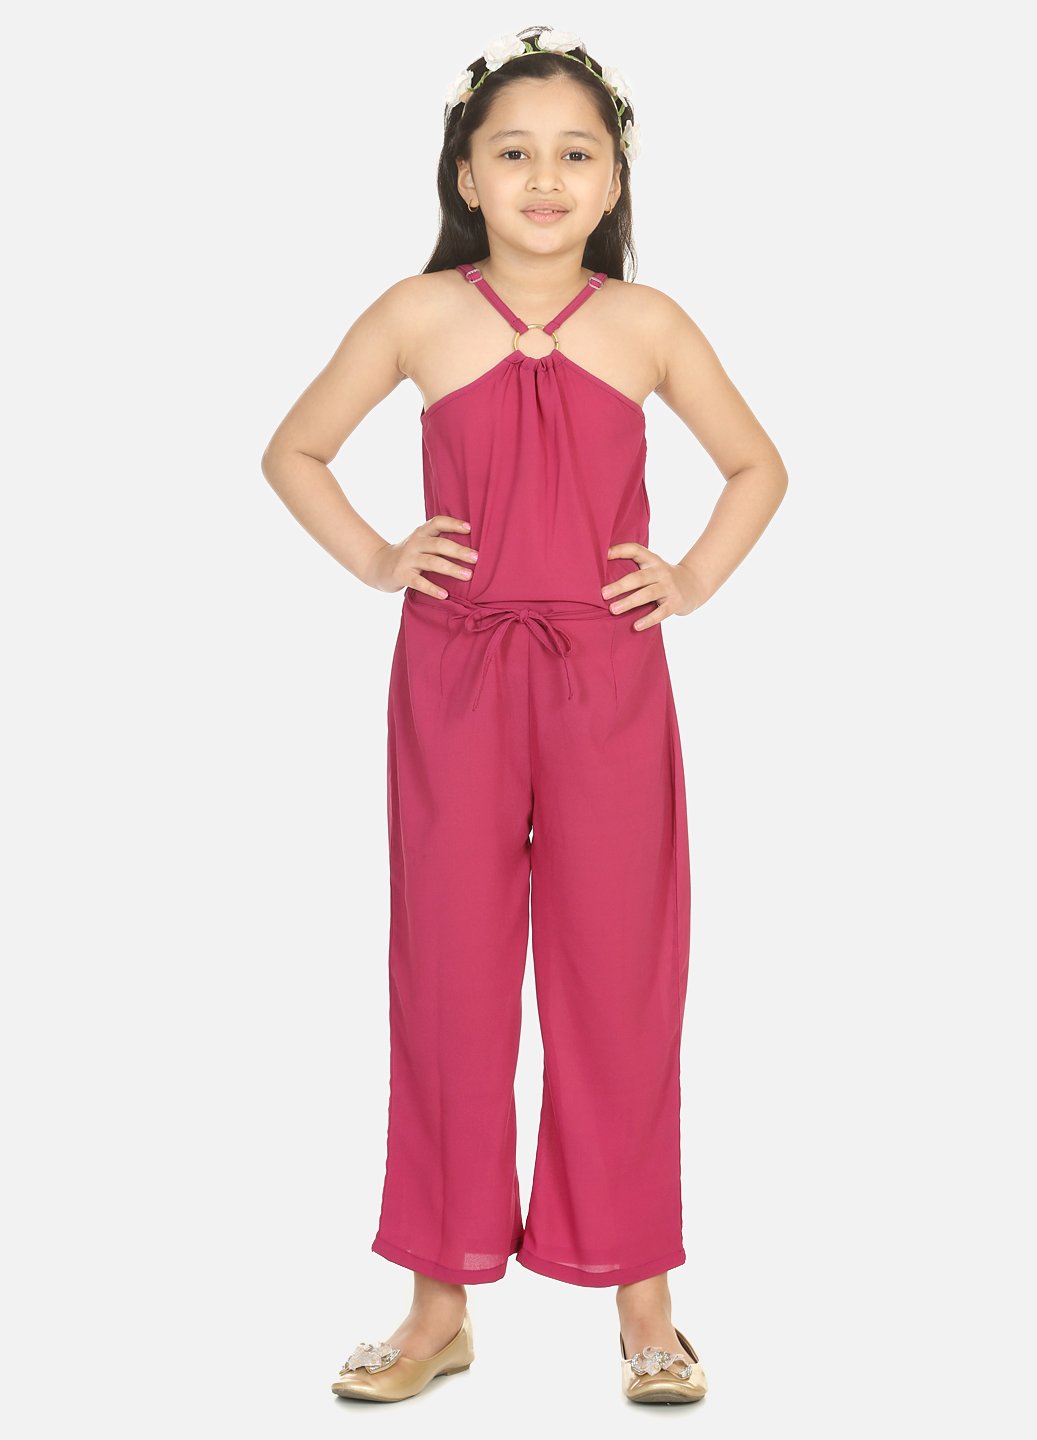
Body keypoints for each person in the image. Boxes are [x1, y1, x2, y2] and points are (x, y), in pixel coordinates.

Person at [262, 23, 787, 1406]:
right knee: (449, 975)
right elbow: (294, 450)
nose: (545, 179)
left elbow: (757, 467)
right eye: (513, 153)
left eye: (575, 154)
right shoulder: (418, 312)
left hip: (608, 679)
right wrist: (380, 557)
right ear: (466, 174)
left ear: (614, 180)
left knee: (620, 976)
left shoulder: (648, 324)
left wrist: (689, 580)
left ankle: (643, 1298)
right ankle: (436, 1302)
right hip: (455, 676)